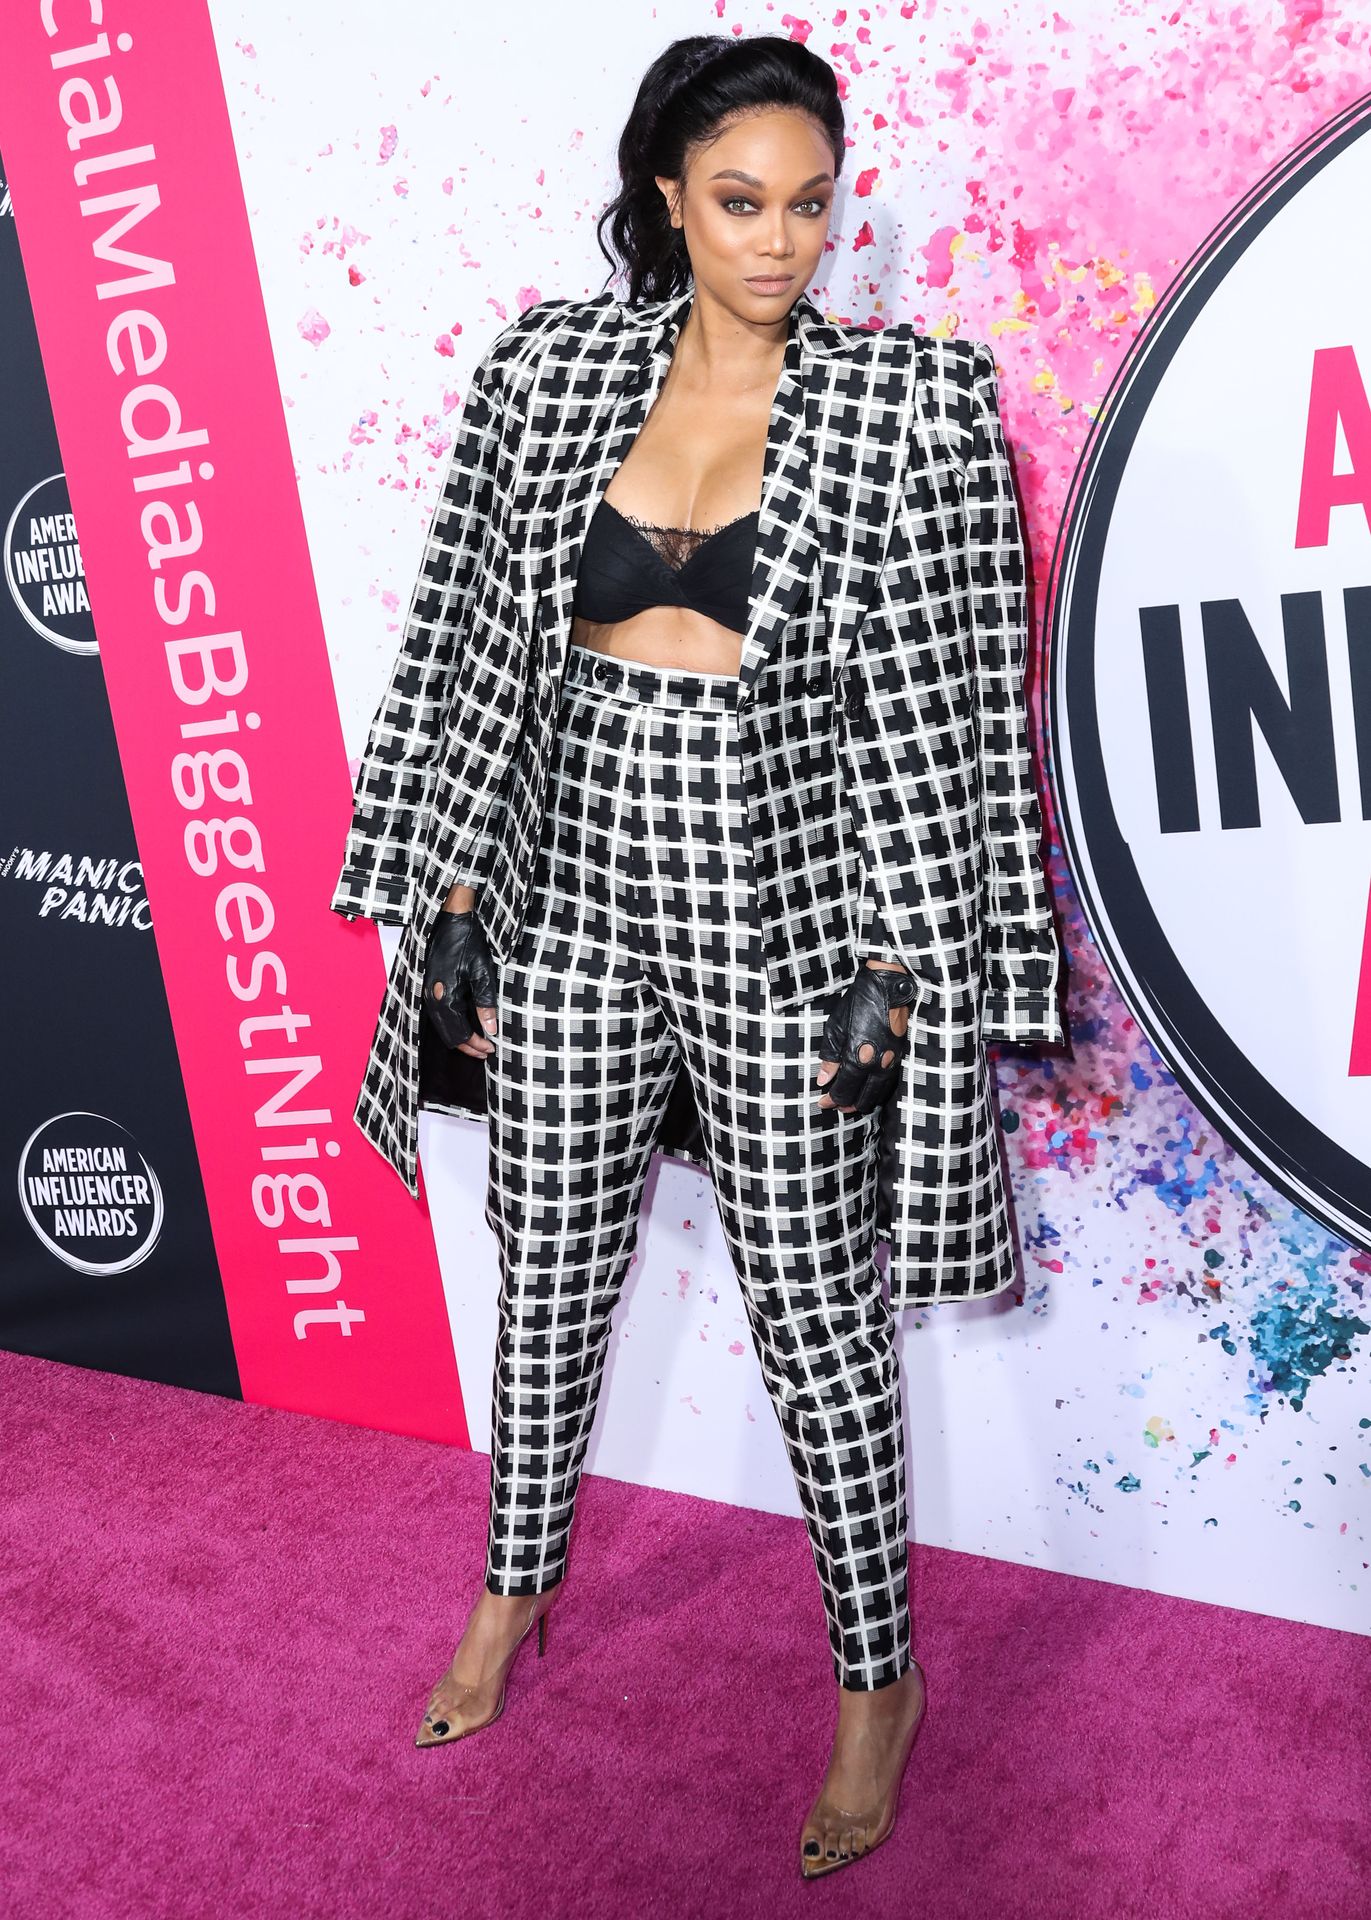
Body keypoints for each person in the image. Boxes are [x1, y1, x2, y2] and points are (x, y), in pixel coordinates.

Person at [330, 31, 1064, 1881]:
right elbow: (471, 649)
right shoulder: (550, 374)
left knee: (819, 1327)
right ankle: (512, 1592)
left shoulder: (907, 411)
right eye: (741, 202)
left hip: (781, 919)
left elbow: (952, 713)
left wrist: (900, 965)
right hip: (569, 894)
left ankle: (878, 1682)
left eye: (811, 206)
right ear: (669, 196)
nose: (780, 243)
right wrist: (455, 896)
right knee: (547, 1276)